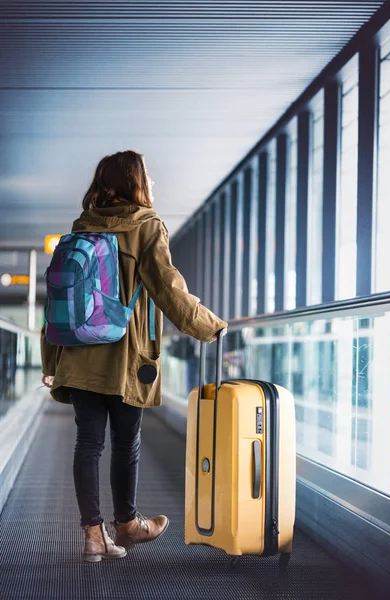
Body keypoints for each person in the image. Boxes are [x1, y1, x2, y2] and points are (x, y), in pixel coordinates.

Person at [41, 151, 228, 562]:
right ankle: (126, 524)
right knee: (126, 443)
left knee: (88, 443)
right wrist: (210, 326)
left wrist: (50, 359)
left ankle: (94, 535)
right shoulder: (147, 226)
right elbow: (169, 289)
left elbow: (58, 298)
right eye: (149, 176)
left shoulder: (81, 227)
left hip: (77, 355)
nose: (154, 182)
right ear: (136, 181)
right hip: (127, 358)